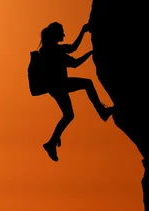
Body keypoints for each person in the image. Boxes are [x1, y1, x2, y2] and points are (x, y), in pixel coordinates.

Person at [38, 22, 113, 162]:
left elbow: (72, 49)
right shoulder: (54, 51)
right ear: (55, 34)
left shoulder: (49, 50)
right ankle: (101, 111)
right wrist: (90, 52)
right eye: (62, 32)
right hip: (59, 85)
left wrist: (83, 33)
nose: (64, 35)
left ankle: (51, 142)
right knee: (87, 83)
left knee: (68, 115)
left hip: (55, 87)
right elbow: (75, 62)